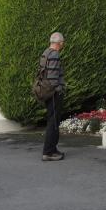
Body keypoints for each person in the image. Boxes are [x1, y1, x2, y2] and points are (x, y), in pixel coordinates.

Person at [39, 32, 66, 161]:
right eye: (62, 43)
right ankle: (49, 152)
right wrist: (58, 89)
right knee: (54, 123)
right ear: (59, 43)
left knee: (52, 120)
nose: (62, 45)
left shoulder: (46, 52)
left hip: (46, 92)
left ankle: (52, 149)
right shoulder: (54, 54)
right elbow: (53, 76)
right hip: (53, 93)